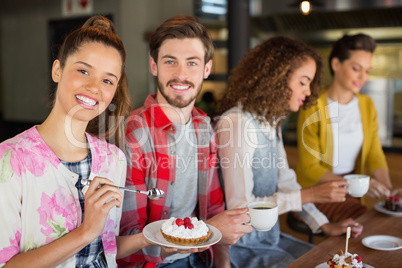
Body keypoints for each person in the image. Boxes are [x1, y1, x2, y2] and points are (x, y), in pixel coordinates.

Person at [0, 16, 151, 267]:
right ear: (57, 70)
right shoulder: (10, 160)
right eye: (83, 71)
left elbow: (107, 247)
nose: (94, 87)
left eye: (107, 80)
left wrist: (151, 239)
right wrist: (85, 232)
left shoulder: (113, 159)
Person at [215, 36, 363, 268]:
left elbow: (287, 182)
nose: (308, 91)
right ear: (277, 77)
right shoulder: (237, 123)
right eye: (304, 82)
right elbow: (241, 208)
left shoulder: (271, 121)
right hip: (241, 249)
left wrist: (324, 225)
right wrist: (310, 194)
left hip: (270, 240)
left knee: (335, 261)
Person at [119, 15, 251, 268]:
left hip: (202, 258)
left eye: (192, 63)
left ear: (206, 69)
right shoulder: (133, 134)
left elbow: (212, 206)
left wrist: (222, 260)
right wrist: (211, 229)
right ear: (154, 65)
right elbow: (130, 239)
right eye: (170, 62)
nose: (181, 75)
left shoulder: (204, 128)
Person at [296, 34, 394, 222]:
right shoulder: (313, 105)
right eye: (356, 68)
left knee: (383, 218)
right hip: (318, 190)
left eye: (367, 70)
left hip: (351, 189)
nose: (362, 77)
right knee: (361, 221)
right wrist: (352, 184)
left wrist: (387, 190)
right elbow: (310, 167)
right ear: (336, 64)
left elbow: (375, 153)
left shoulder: (367, 105)